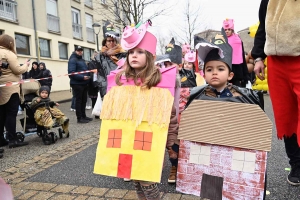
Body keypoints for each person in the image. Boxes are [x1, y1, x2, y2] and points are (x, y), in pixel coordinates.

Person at [94, 20, 179, 200]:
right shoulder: (121, 80)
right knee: (135, 179)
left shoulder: (160, 82)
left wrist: (171, 142)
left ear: (151, 56)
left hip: (148, 142)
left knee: (147, 181)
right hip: (126, 141)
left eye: (140, 52)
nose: (134, 55)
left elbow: (169, 115)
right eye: (131, 52)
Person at [252, 0, 300, 186]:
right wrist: (258, 57)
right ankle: (296, 164)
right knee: (285, 117)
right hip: (276, 62)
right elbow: (263, 28)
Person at [188, 31, 262, 109]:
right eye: (209, 70)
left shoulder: (241, 96)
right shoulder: (196, 96)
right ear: (204, 75)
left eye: (220, 69)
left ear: (230, 75)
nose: (214, 73)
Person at [0, 34, 30, 150]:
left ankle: (1, 140)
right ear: (10, 43)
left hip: (1, 87)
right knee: (11, 114)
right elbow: (17, 70)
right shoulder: (9, 53)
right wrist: (26, 65)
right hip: (11, 88)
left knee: (1, 114)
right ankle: (13, 139)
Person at [94, 20, 127, 98]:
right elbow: (101, 76)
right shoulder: (100, 57)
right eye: (109, 41)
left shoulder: (123, 54)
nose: (111, 43)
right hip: (108, 89)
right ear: (105, 42)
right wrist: (104, 91)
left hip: (121, 87)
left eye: (113, 41)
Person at [68, 46, 93, 123]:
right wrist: (82, 77)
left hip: (84, 83)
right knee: (79, 101)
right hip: (77, 84)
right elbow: (71, 73)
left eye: (81, 51)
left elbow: (85, 70)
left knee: (84, 100)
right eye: (78, 51)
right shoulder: (72, 60)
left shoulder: (82, 60)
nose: (80, 52)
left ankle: (84, 116)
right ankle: (79, 118)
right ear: (75, 51)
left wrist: (89, 74)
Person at [223, 19, 249, 87]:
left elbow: (241, 52)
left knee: (236, 83)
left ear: (232, 30)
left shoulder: (237, 38)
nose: (227, 31)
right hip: (226, 63)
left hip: (237, 64)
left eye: (229, 29)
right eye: (225, 30)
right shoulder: (222, 39)